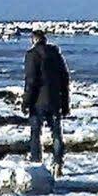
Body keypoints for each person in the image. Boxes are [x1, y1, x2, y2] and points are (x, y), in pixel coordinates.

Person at [22, 29, 71, 173]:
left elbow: (31, 80)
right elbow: (64, 78)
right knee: (56, 134)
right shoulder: (55, 54)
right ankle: (58, 163)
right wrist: (65, 102)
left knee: (36, 134)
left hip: (38, 102)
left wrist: (26, 101)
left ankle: (36, 164)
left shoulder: (32, 55)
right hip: (55, 99)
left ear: (34, 40)